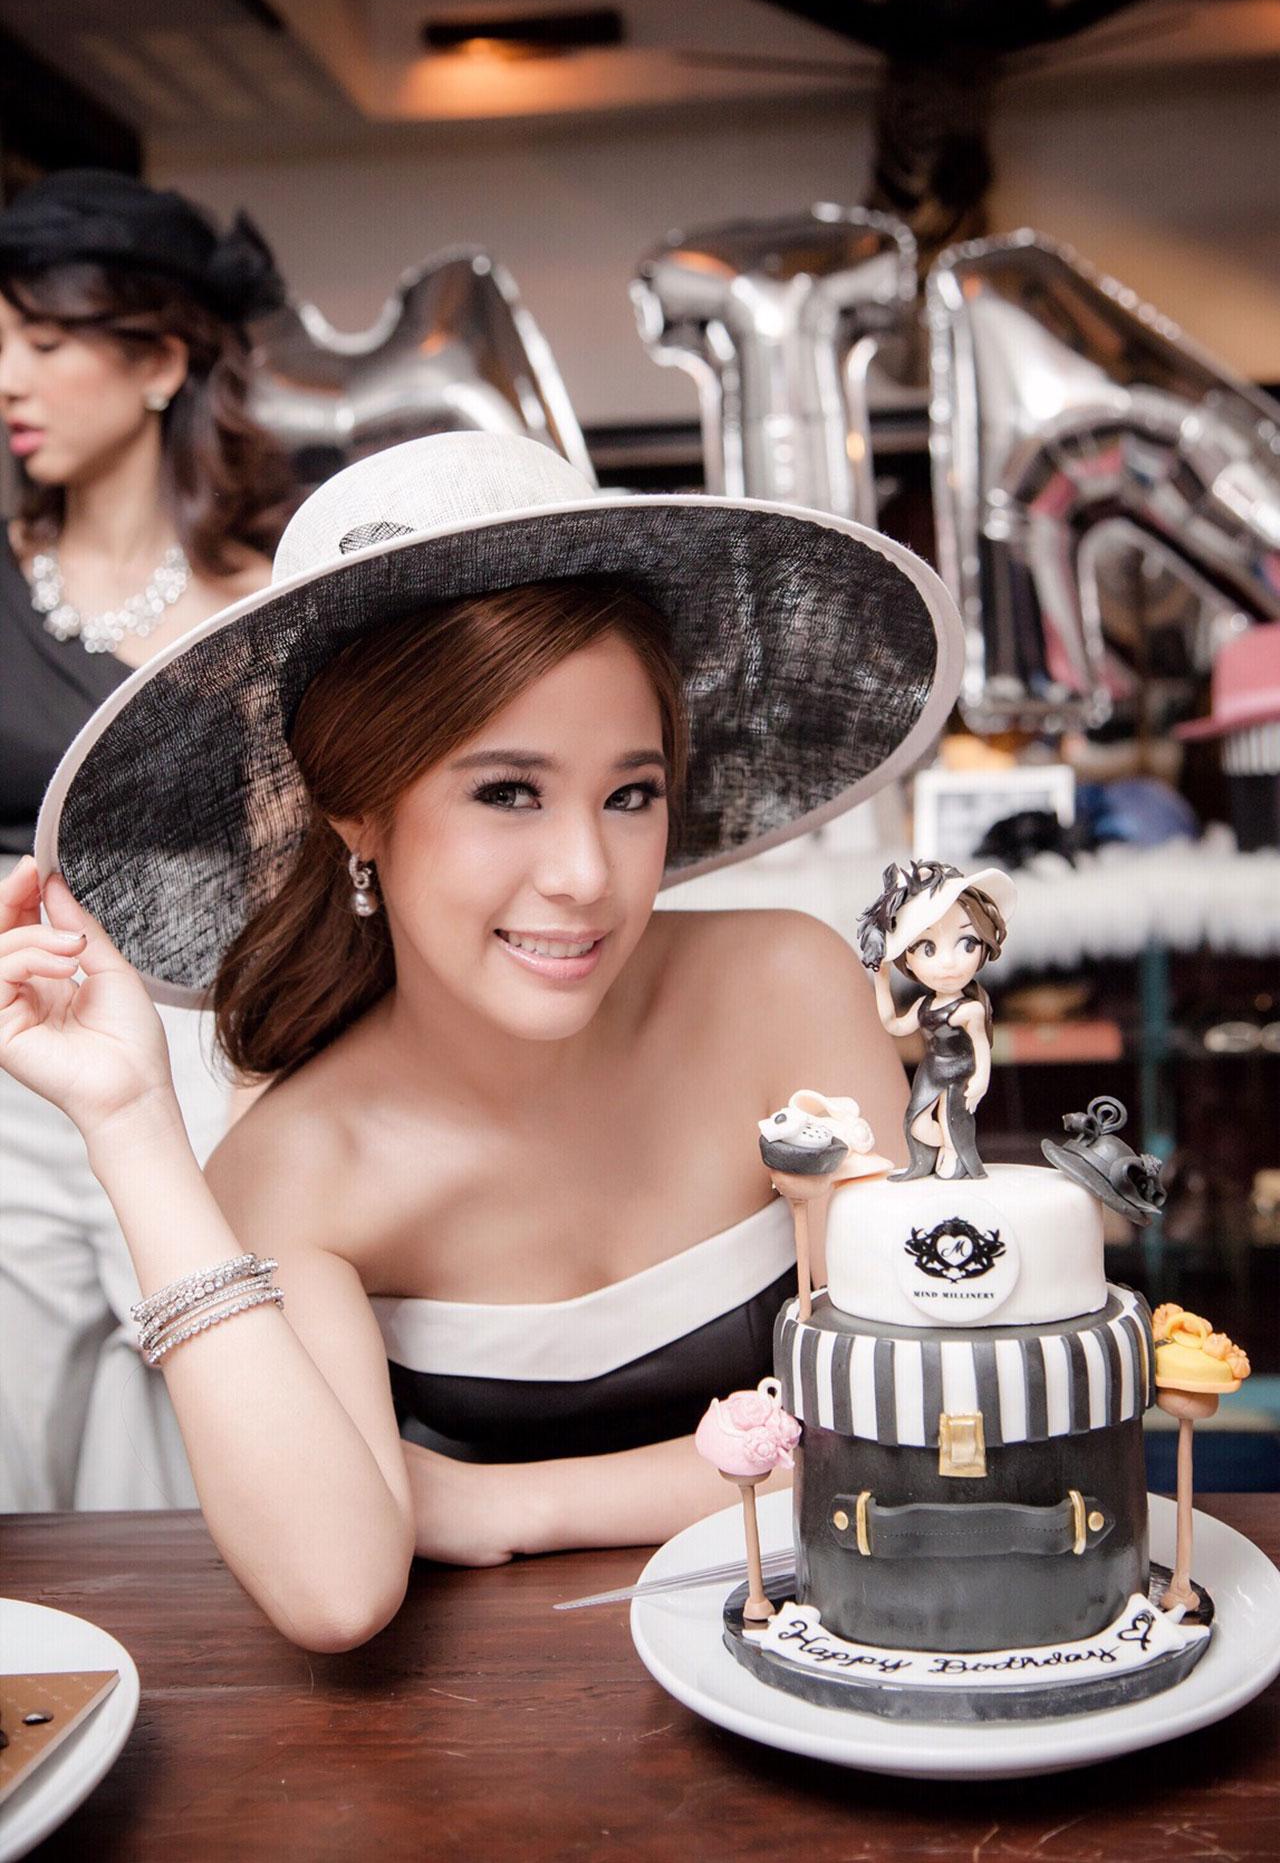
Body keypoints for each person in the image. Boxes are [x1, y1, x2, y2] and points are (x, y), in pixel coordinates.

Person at [0, 428, 961, 1650]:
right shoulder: (301, 1168)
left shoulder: (781, 987)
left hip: (860, 1662)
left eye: (629, 793)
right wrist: (130, 1124)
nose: (585, 873)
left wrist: (495, 1501)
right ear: (356, 806)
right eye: (507, 792)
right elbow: (335, 1589)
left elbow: (934, 1422)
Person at [0, 169, 294, 1511]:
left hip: (194, 1044)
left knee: (199, 1380)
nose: (9, 378)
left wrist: (264, 1087)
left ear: (163, 361)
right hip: (8, 1038)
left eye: (45, 341)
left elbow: (289, 876)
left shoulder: (266, 598)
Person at [857, 860, 1016, 1181]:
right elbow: (894, 1025)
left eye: (967, 944)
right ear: (908, 958)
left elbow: (981, 1047)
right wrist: (881, 982)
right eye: (927, 948)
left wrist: (981, 1080)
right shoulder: (923, 1005)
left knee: (951, 1117)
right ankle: (945, 1147)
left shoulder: (970, 1010)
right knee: (916, 1122)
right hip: (931, 1071)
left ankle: (955, 1153)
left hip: (960, 1072)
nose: (948, 963)